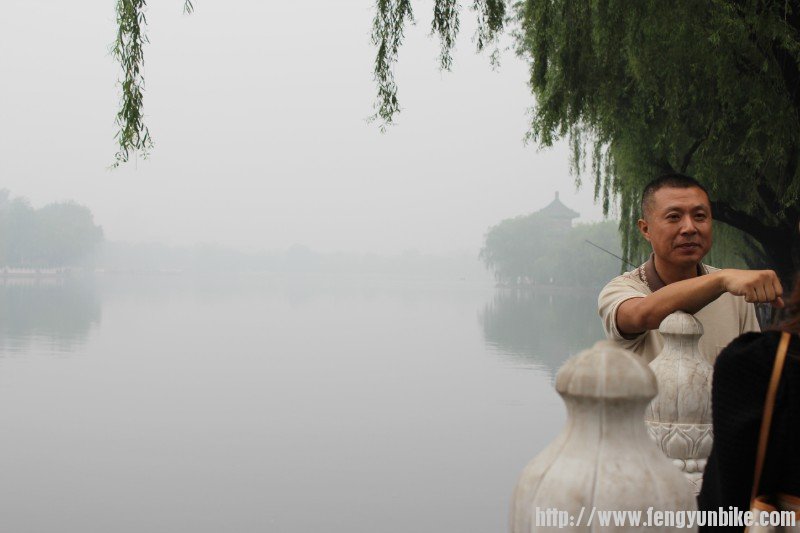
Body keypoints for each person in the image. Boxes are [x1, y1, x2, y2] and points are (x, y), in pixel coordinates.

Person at [598, 173, 784, 363]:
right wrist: (721, 280)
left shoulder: (734, 294)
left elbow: (751, 372)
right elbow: (641, 315)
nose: (689, 228)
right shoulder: (621, 290)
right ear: (646, 229)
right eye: (674, 217)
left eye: (699, 216)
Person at [698, 278, 800, 525]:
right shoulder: (624, 288)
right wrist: (720, 282)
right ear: (646, 235)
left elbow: (724, 509)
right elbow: (635, 315)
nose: (689, 235)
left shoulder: (759, 366)